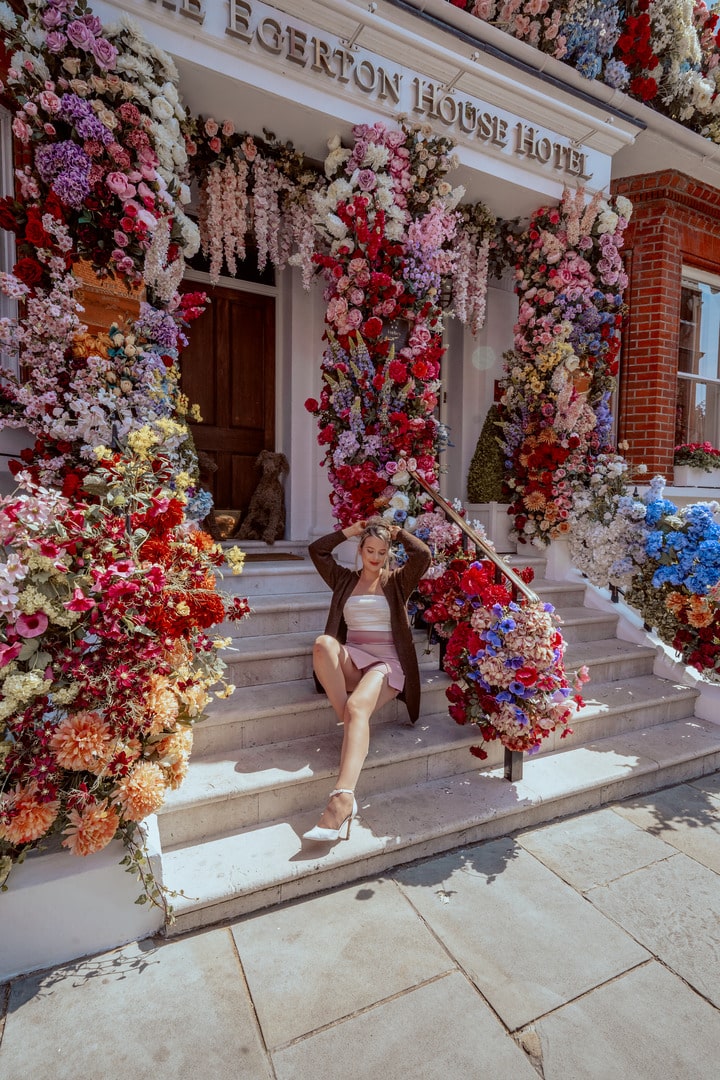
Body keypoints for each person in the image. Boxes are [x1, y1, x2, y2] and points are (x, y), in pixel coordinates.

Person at [303, 517, 431, 843]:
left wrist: (397, 531)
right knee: (322, 645)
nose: (374, 557)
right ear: (360, 550)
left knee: (359, 706)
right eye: (369, 550)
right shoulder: (343, 580)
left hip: (387, 664)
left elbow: (423, 556)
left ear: (388, 554)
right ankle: (350, 720)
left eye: (381, 552)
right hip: (353, 659)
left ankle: (342, 799)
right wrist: (351, 529)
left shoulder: (397, 581)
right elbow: (317, 550)